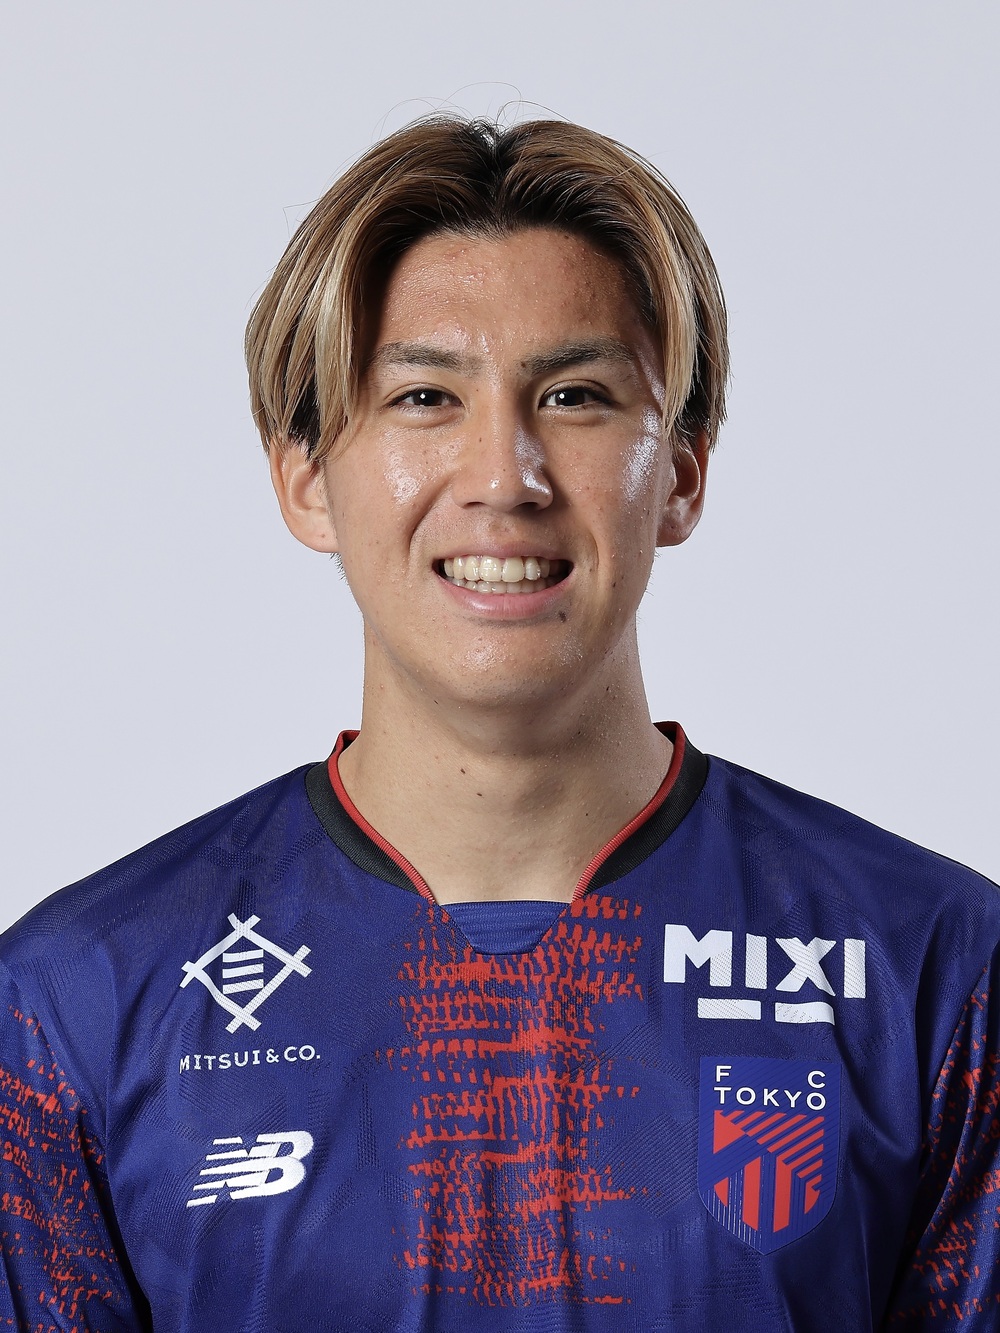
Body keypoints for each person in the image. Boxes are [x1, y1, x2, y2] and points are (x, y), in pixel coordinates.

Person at [1, 114, 997, 1333]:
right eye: (424, 396)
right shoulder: (75, 1002)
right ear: (304, 475)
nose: (503, 475)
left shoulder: (936, 971)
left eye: (575, 396)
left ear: (682, 469)